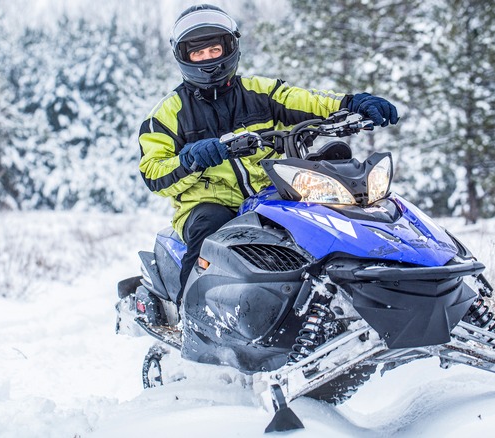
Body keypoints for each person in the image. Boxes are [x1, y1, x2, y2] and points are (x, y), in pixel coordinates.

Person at [138, 3, 399, 302]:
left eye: (214, 50)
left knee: (322, 221)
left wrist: (350, 103)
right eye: (199, 53)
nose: (208, 59)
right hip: (210, 203)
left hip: (273, 191)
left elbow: (307, 100)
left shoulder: (259, 91)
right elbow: (153, 173)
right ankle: (191, 312)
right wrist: (192, 158)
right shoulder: (167, 113)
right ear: (184, 57)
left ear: (229, 48)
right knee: (207, 230)